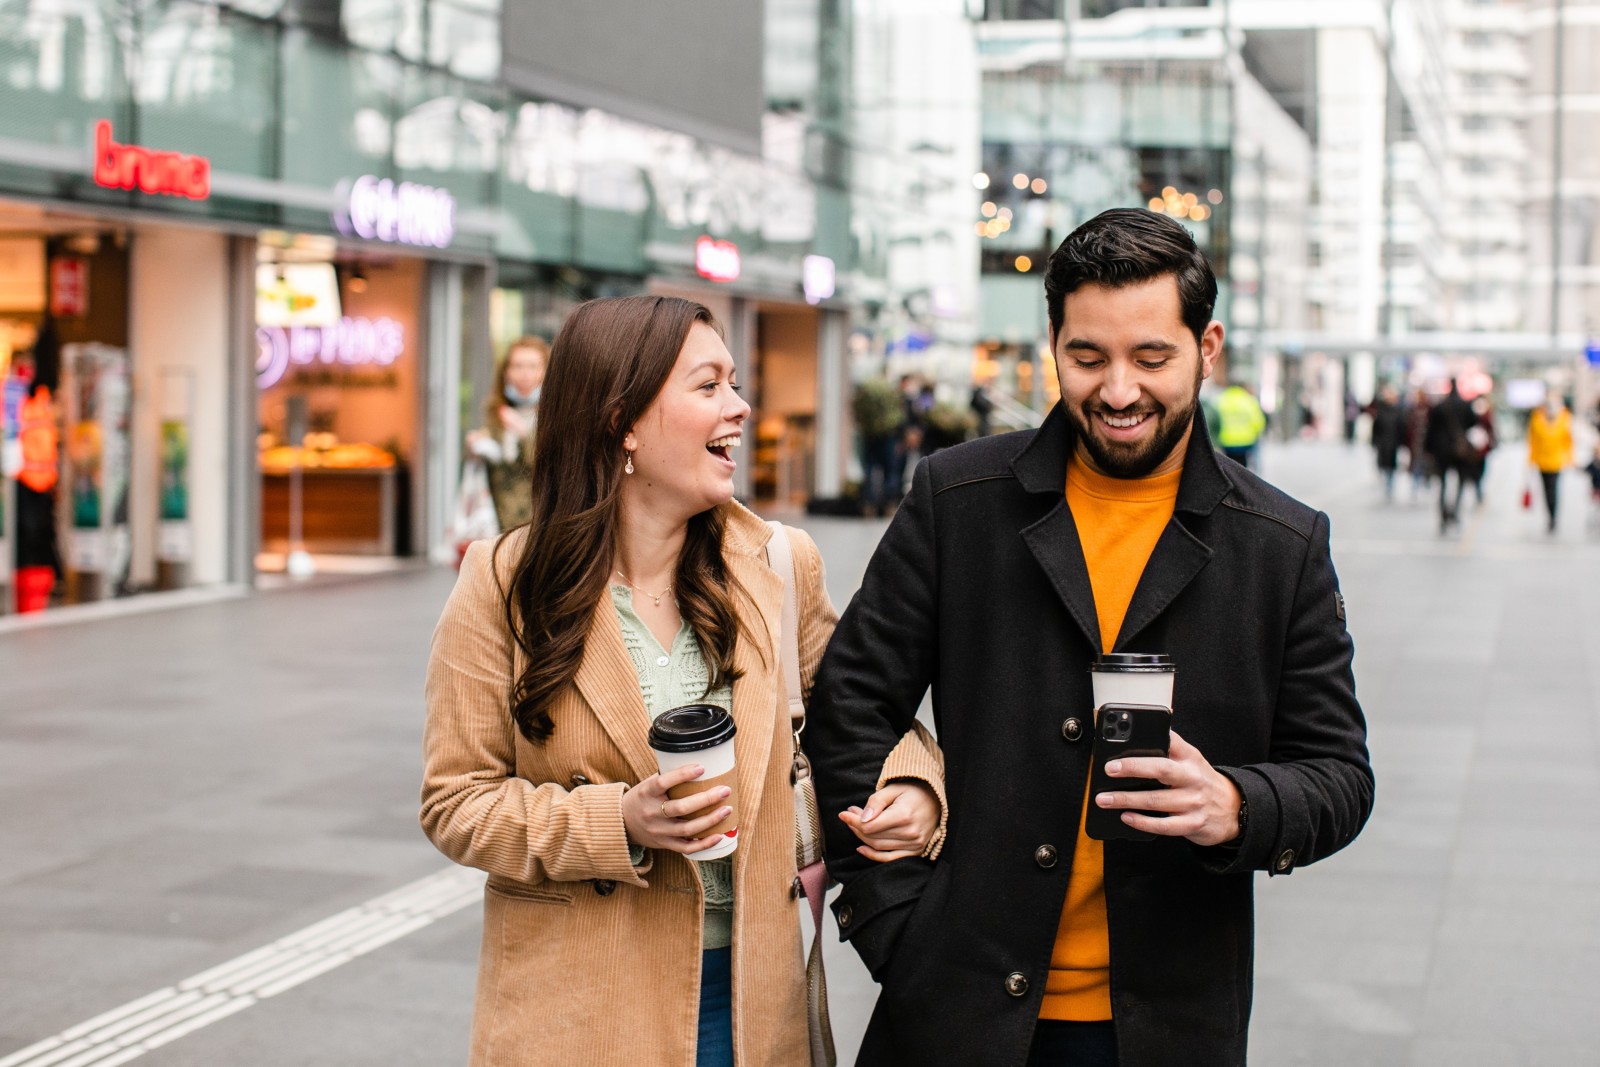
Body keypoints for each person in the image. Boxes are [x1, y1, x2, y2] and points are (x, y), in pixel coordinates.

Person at [807, 209, 1373, 1067]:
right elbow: (847, 706)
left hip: (1169, 1026)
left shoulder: (1281, 546)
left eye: (1151, 357)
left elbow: (1339, 773)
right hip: (953, 1013)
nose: (1117, 391)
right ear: (1053, 345)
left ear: (1207, 347)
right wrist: (892, 922)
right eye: (1087, 357)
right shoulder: (958, 499)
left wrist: (1237, 805)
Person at [421, 296, 946, 1067]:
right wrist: (620, 822)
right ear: (622, 420)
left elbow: (863, 716)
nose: (739, 406)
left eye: (734, 382)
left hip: (754, 1009)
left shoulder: (776, 564)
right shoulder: (502, 583)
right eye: (708, 386)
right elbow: (455, 800)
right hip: (581, 1013)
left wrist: (914, 788)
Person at [466, 336, 547, 531]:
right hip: (497, 521)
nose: (524, 374)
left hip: (539, 521)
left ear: (546, 371)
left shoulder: (556, 414)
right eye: (517, 366)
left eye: (532, 366)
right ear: (506, 372)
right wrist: (476, 446)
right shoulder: (497, 413)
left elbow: (548, 465)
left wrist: (523, 434)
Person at [1424, 379, 1474, 534]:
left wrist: (1428, 449)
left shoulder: (1440, 406)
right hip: (1460, 451)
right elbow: (1473, 424)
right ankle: (1455, 511)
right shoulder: (1465, 406)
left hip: (1441, 451)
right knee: (1460, 481)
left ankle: (1443, 515)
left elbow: (1430, 429)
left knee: (1442, 485)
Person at [1527, 393, 1573, 534]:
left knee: (1553, 490)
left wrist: (1569, 458)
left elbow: (1568, 440)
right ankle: (1550, 515)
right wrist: (1531, 459)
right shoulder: (1537, 418)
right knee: (1546, 490)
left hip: (1556, 460)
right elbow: (1533, 441)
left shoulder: (1564, 418)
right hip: (1541, 461)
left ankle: (1553, 517)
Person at [1213, 380, 1266, 469]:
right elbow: (1258, 422)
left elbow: (1215, 420)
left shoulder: (1221, 400)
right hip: (1245, 441)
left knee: (1229, 464)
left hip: (1227, 441)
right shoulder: (1248, 400)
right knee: (1242, 465)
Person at [1368, 383, 1406, 501]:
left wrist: (1401, 442)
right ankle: (1387, 484)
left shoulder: (1397, 412)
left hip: (1392, 443)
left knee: (1391, 466)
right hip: (1384, 443)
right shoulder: (1382, 412)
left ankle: (1389, 485)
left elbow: (1401, 428)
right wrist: (1374, 441)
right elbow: (1376, 428)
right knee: (1384, 465)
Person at [1461, 394, 1496, 507]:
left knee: (1481, 471)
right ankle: (1477, 488)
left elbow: (1491, 430)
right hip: (1472, 449)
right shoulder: (1471, 414)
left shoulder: (1487, 415)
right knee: (1474, 471)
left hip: (1482, 449)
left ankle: (1478, 489)